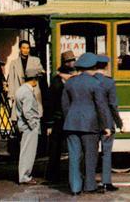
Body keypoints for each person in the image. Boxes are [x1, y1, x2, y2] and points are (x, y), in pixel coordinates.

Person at [62, 52, 112, 195]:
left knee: (74, 156)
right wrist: (105, 126)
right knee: (90, 156)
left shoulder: (70, 82)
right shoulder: (95, 83)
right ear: (93, 67)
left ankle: (75, 187)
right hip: (90, 125)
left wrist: (69, 120)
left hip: (71, 124)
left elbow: (65, 105)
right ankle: (90, 186)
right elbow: (101, 107)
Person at [45, 51, 77, 183]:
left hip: (70, 117)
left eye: (72, 60)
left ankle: (71, 175)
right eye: (68, 61)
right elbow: (50, 102)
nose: (71, 63)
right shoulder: (57, 81)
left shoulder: (74, 78)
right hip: (58, 118)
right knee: (55, 149)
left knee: (72, 147)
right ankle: (53, 175)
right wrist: (49, 123)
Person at [94, 55, 124, 192]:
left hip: (92, 121)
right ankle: (106, 181)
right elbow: (113, 105)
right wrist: (119, 123)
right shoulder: (109, 82)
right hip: (106, 121)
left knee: (90, 152)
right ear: (106, 66)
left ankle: (88, 180)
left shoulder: (90, 81)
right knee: (106, 152)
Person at [15, 67, 43, 185]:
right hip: (29, 127)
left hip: (23, 125)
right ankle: (25, 176)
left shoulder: (20, 90)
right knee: (29, 153)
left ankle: (23, 175)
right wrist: (33, 125)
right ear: (34, 79)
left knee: (24, 151)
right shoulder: (27, 92)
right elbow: (27, 112)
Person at [7, 40, 45, 124]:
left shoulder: (35, 60)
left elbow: (42, 72)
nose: (25, 50)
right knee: (20, 116)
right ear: (20, 49)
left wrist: (34, 73)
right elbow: (11, 80)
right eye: (23, 48)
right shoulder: (14, 63)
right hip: (19, 90)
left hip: (33, 90)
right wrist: (11, 95)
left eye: (27, 48)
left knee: (33, 115)